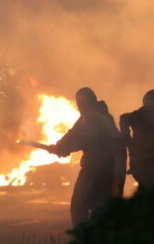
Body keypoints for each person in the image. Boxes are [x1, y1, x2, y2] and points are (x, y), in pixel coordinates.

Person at [52, 87, 124, 227]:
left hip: (94, 171)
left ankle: (84, 241)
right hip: (108, 170)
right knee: (100, 210)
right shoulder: (102, 116)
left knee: (79, 207)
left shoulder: (93, 119)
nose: (80, 107)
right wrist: (61, 147)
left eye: (81, 103)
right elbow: (73, 134)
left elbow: (80, 138)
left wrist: (62, 148)